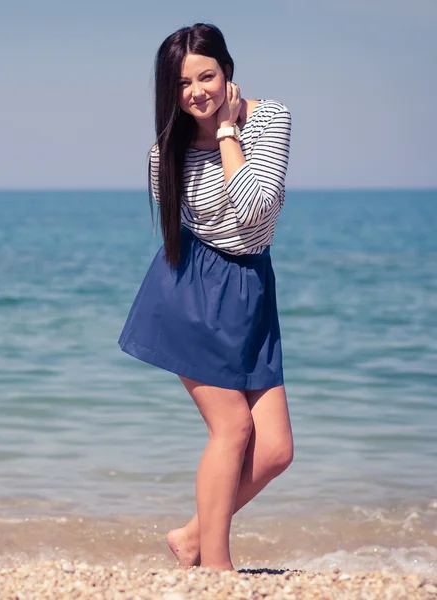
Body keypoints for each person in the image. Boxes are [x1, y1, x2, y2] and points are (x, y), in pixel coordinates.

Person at [118, 23, 294, 572]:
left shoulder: (271, 119)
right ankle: (216, 568)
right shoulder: (163, 152)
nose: (197, 91)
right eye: (182, 82)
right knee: (233, 428)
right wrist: (221, 133)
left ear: (227, 71)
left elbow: (256, 213)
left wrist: (227, 133)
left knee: (274, 450)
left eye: (207, 75)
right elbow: (214, 222)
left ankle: (191, 537)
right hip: (191, 292)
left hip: (251, 289)